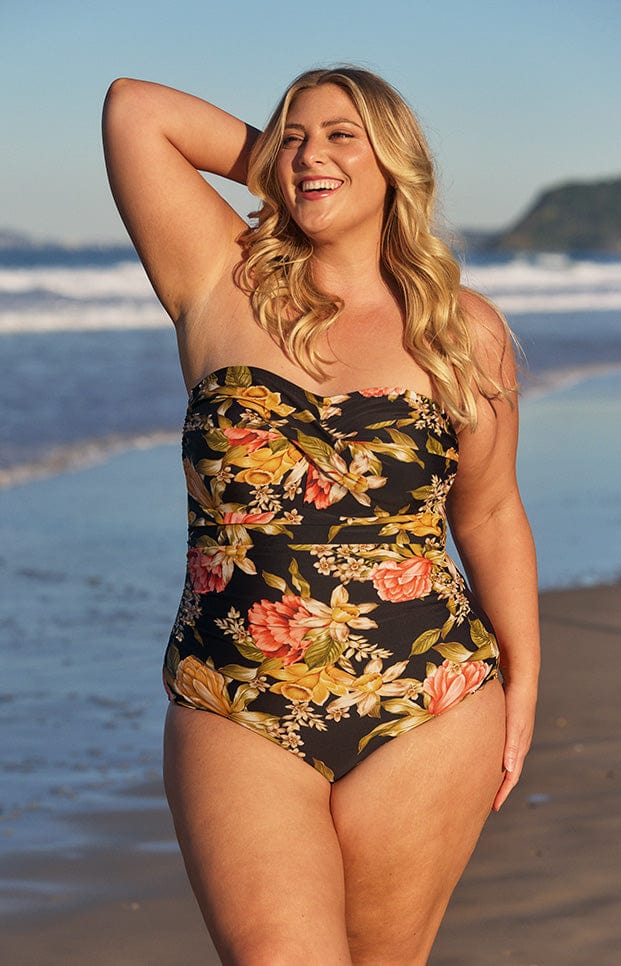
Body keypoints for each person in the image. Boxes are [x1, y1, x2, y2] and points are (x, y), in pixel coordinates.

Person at [103, 66, 540, 964]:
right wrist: (290, 170)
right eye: (294, 133)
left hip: (429, 701)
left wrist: (524, 683)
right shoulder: (219, 281)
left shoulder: (462, 330)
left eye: (343, 135)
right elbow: (134, 110)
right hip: (237, 699)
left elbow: (491, 514)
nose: (312, 151)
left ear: (394, 161)